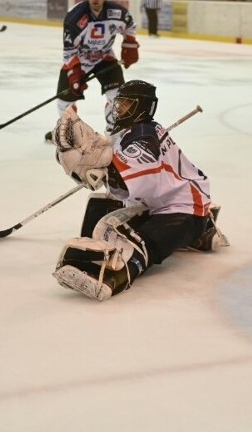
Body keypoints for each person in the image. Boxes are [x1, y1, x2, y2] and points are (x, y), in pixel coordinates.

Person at [51, 80, 224, 301]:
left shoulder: (143, 137)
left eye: (125, 105)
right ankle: (199, 233)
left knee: (130, 240)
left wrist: (97, 165)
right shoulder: (132, 132)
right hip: (169, 204)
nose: (118, 109)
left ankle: (113, 277)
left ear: (142, 107)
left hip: (183, 211)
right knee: (101, 208)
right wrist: (86, 160)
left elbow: (127, 183)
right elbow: (122, 184)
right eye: (118, 104)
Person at [43, 0, 139, 143]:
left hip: (105, 56)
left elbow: (130, 26)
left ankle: (114, 130)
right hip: (80, 59)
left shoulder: (117, 12)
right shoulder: (75, 17)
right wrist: (74, 72)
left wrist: (130, 44)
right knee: (64, 98)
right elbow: (69, 50)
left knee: (117, 95)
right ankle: (68, 130)